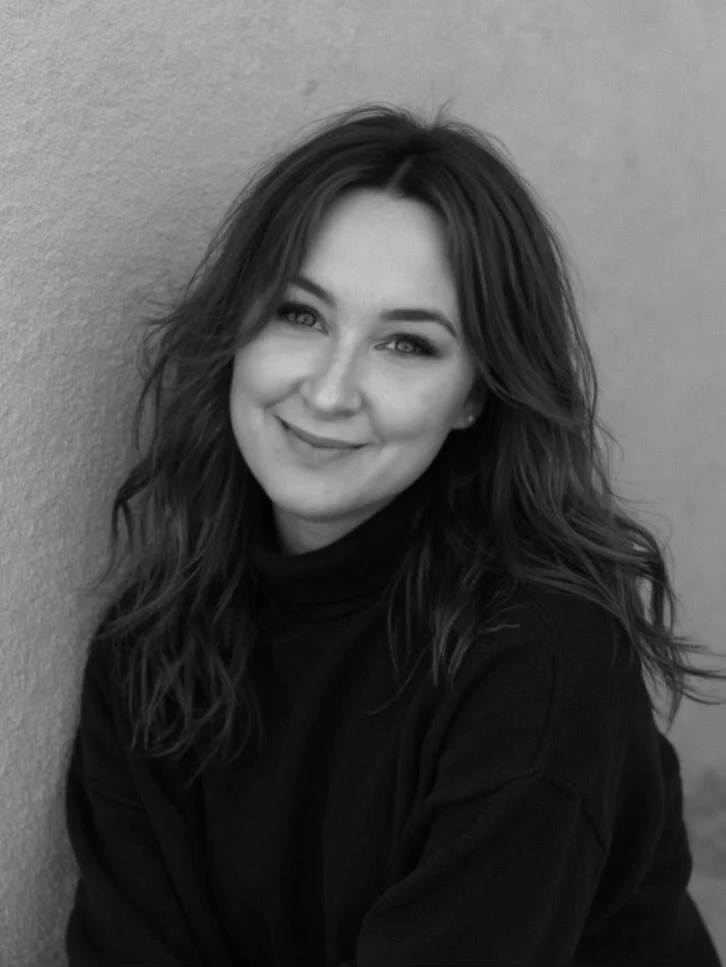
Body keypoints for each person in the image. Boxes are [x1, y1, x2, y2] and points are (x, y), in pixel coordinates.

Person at [64, 103, 724, 966]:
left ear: (476, 395)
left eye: (406, 344)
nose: (330, 391)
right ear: (236, 330)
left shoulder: (541, 658)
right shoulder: (152, 646)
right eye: (300, 315)